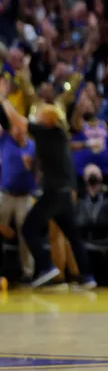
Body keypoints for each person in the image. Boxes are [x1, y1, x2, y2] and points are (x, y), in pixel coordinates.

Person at [0, 80, 94, 288]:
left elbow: (18, 122)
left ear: (48, 120)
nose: (36, 115)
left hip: (53, 193)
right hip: (65, 193)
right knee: (73, 235)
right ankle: (87, 277)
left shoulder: (47, 131)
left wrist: (3, 98)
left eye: (40, 114)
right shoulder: (58, 135)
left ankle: (46, 267)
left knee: (29, 228)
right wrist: (33, 164)